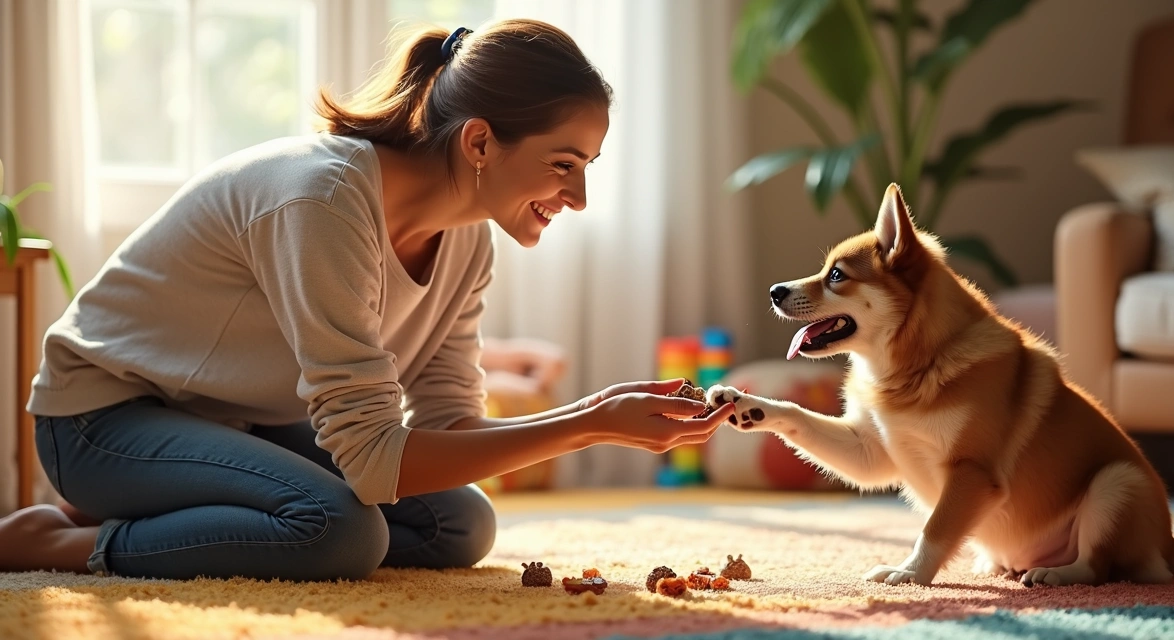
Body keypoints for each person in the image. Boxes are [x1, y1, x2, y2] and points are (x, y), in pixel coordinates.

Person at [0, 19, 732, 581]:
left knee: (460, 527)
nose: (577, 197)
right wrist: (588, 425)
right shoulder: (323, 200)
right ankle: (70, 539)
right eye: (563, 165)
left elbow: (448, 421)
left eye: (589, 168)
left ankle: (166, 500)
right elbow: (377, 462)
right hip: (102, 418)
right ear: (480, 143)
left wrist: (589, 417)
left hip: (242, 421)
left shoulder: (469, 240)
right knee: (339, 531)